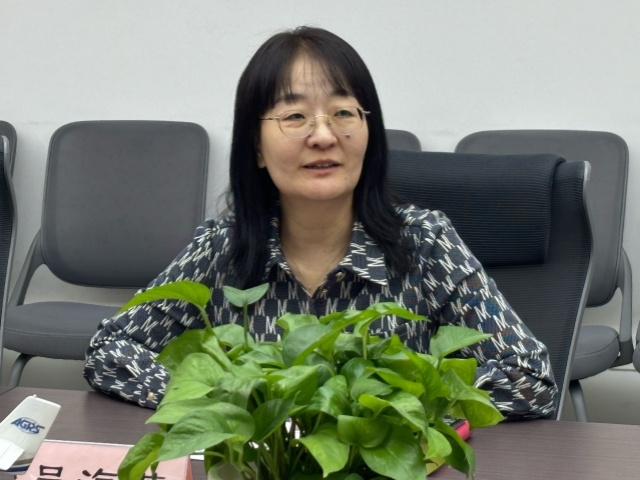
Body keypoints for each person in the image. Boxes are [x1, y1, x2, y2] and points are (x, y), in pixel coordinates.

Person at [83, 26, 558, 420]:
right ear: (256, 146)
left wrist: (394, 412)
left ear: (369, 133)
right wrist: (224, 409)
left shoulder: (425, 243)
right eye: (294, 116)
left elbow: (530, 377)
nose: (324, 135)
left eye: (343, 112)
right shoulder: (223, 247)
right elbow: (110, 349)